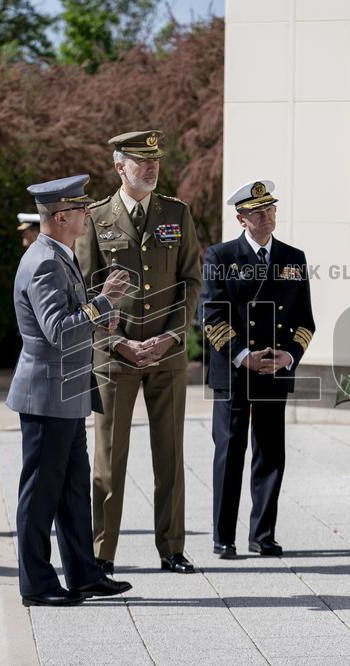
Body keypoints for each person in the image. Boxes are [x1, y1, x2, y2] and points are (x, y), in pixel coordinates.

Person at [77, 129, 202, 575]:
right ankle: (101, 554)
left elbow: (191, 281)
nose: (151, 168)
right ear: (119, 167)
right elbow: (86, 292)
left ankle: (172, 548)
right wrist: (119, 343)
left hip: (165, 355)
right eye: (140, 161)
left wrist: (171, 337)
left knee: (169, 454)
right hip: (115, 357)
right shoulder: (95, 218)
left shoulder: (176, 212)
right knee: (110, 459)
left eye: (155, 162)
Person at [8, 174, 133, 607]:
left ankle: (84, 574)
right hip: (46, 396)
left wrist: (100, 316)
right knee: (41, 494)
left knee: (73, 491)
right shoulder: (44, 261)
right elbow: (58, 331)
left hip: (66, 394)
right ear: (61, 216)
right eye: (81, 209)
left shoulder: (59, 253)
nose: (87, 215)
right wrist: (102, 303)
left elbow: (69, 318)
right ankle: (37, 584)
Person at [198, 180, 315, 559]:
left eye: (271, 210)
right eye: (259, 212)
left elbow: (304, 321)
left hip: (274, 370)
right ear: (242, 219)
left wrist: (290, 356)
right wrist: (243, 354)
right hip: (235, 369)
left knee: (270, 453)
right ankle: (223, 536)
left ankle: (262, 534)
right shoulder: (220, 256)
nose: (268, 217)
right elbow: (210, 316)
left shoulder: (293, 258)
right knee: (230, 452)